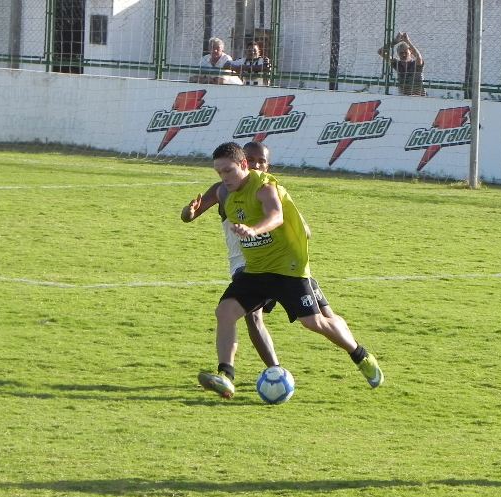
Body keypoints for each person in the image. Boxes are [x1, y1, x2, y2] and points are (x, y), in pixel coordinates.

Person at [197, 142, 384, 399]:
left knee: (314, 322)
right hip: (256, 270)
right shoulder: (228, 195)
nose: (224, 178)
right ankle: (226, 377)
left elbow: (276, 216)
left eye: (228, 171)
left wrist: (254, 230)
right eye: (219, 173)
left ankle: (360, 355)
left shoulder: (264, 187)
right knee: (225, 312)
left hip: (288, 269)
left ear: (243, 165)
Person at [181, 142, 335, 370]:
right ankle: (274, 372)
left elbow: (305, 231)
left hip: (285, 262)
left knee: (322, 316)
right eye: (252, 160)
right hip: (244, 264)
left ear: (268, 166)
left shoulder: (271, 192)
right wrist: (189, 211)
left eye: (261, 161)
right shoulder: (223, 189)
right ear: (243, 161)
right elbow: (188, 216)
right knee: (252, 316)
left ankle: (357, 352)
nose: (256, 165)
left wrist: (273, 226)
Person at [378, 32, 426, 96]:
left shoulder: (416, 64)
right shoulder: (397, 64)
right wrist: (395, 41)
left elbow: (418, 57)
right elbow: (380, 52)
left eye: (406, 52)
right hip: (404, 97)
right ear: (398, 54)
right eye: (401, 53)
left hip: (418, 97)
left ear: (410, 52)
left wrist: (407, 41)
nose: (403, 55)